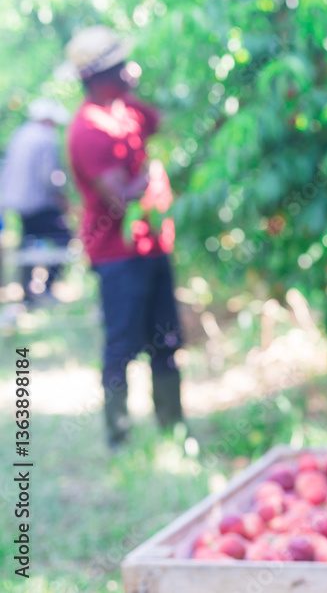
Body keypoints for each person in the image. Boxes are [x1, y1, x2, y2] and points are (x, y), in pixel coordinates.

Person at [63, 25, 187, 449]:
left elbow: (169, 123)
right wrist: (154, 172)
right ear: (98, 77)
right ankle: (119, 434)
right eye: (120, 66)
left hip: (153, 246)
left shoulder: (129, 111)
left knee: (165, 338)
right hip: (117, 255)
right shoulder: (87, 131)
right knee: (123, 344)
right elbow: (119, 195)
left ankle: (172, 425)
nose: (130, 71)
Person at [0, 97, 73, 305]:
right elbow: (49, 177)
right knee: (64, 238)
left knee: (28, 242)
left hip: (18, 202)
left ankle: (27, 292)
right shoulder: (46, 137)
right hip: (37, 202)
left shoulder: (21, 134)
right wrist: (63, 199)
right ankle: (47, 287)